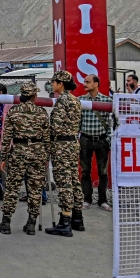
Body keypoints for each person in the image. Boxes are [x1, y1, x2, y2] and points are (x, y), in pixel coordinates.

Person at [0, 81, 49, 235]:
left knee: (12, 187)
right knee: (35, 189)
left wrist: (3, 157)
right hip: (38, 153)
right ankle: (31, 223)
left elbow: (6, 138)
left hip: (18, 153)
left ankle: (6, 222)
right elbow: (47, 138)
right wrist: (47, 156)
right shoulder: (42, 112)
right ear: (33, 96)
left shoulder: (14, 112)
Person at [45, 70, 83, 237]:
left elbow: (57, 126)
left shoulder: (62, 101)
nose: (52, 84)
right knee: (74, 179)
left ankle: (65, 221)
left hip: (62, 144)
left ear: (61, 84)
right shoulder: (75, 100)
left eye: (54, 82)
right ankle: (77, 218)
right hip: (73, 143)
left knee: (64, 181)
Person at [78, 74, 113, 212]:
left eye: (88, 82)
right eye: (84, 82)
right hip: (86, 139)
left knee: (103, 172)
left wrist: (108, 140)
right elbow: (78, 123)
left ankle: (102, 200)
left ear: (96, 84)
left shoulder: (106, 100)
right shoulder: (80, 101)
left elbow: (111, 124)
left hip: (101, 139)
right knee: (85, 171)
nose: (85, 84)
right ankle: (87, 199)